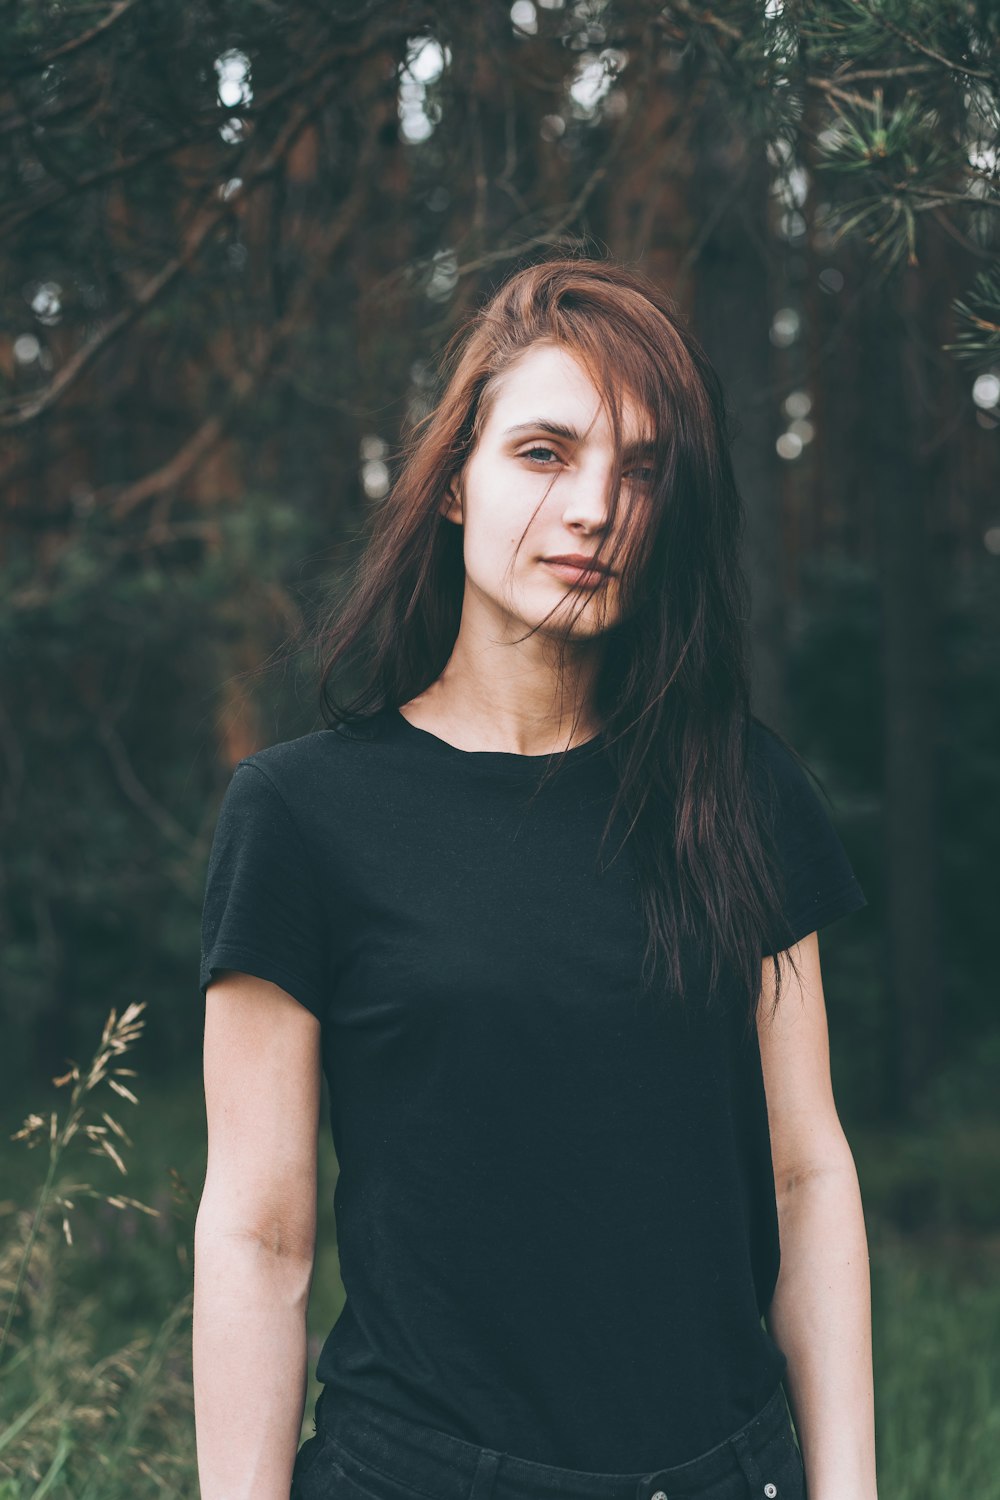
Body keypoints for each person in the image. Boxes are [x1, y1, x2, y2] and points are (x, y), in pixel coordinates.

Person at [193, 258, 877, 1500]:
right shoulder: (301, 813)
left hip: (723, 1475)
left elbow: (805, 1172)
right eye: (545, 453)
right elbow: (258, 1233)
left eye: (642, 469)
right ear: (454, 479)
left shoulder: (740, 790)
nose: (596, 507)